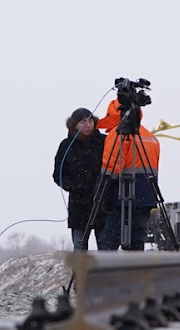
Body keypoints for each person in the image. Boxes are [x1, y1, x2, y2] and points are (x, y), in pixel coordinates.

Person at [95, 96, 162, 251]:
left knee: (109, 240)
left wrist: (99, 194)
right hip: (145, 197)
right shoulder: (150, 137)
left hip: (121, 197)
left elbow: (111, 168)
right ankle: (135, 272)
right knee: (137, 240)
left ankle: (105, 273)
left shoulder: (117, 135)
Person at [52, 108, 106, 250]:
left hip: (103, 202)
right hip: (79, 205)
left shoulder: (104, 141)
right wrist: (73, 187)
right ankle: (80, 273)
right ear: (74, 124)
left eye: (90, 121)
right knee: (79, 248)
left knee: (106, 248)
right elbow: (58, 174)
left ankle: (104, 272)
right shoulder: (66, 145)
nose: (88, 125)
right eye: (83, 122)